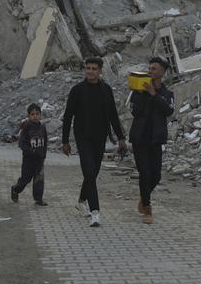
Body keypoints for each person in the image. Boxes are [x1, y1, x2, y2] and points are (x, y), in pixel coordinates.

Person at [62, 57, 126, 227]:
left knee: (92, 174)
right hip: (83, 138)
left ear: (100, 71)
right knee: (89, 173)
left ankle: (82, 201)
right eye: (87, 68)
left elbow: (113, 115)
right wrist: (65, 141)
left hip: (100, 138)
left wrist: (120, 138)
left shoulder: (106, 90)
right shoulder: (77, 90)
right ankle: (95, 213)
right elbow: (68, 116)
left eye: (93, 68)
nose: (90, 71)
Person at [129, 57, 174, 224]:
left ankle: (143, 197)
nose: (150, 71)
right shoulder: (138, 90)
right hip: (139, 138)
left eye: (154, 69)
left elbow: (168, 111)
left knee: (156, 175)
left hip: (156, 139)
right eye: (149, 68)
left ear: (162, 72)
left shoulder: (167, 94)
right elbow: (135, 111)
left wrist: (154, 95)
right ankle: (147, 210)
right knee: (145, 173)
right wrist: (144, 94)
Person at [11, 104, 49, 206]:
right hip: (29, 160)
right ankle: (15, 189)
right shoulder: (26, 127)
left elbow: (45, 142)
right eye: (32, 114)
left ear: (40, 115)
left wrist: (43, 154)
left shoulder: (42, 127)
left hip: (39, 159)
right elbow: (21, 144)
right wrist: (30, 151)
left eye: (37, 114)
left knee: (39, 179)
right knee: (25, 179)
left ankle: (38, 199)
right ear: (28, 116)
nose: (35, 116)